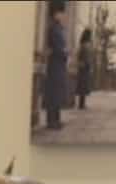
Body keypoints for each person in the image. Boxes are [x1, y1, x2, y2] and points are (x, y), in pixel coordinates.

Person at [43, 1, 69, 129]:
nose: (63, 15)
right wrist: (65, 53)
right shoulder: (54, 28)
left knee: (57, 92)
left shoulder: (57, 27)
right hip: (55, 63)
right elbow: (59, 47)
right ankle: (52, 121)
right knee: (54, 93)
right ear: (56, 13)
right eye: (61, 13)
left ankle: (56, 119)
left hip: (58, 64)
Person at [76, 27, 94, 110]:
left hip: (82, 66)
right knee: (83, 85)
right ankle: (81, 104)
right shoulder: (86, 45)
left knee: (82, 85)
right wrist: (89, 65)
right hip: (85, 67)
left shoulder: (82, 44)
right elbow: (87, 57)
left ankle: (82, 103)